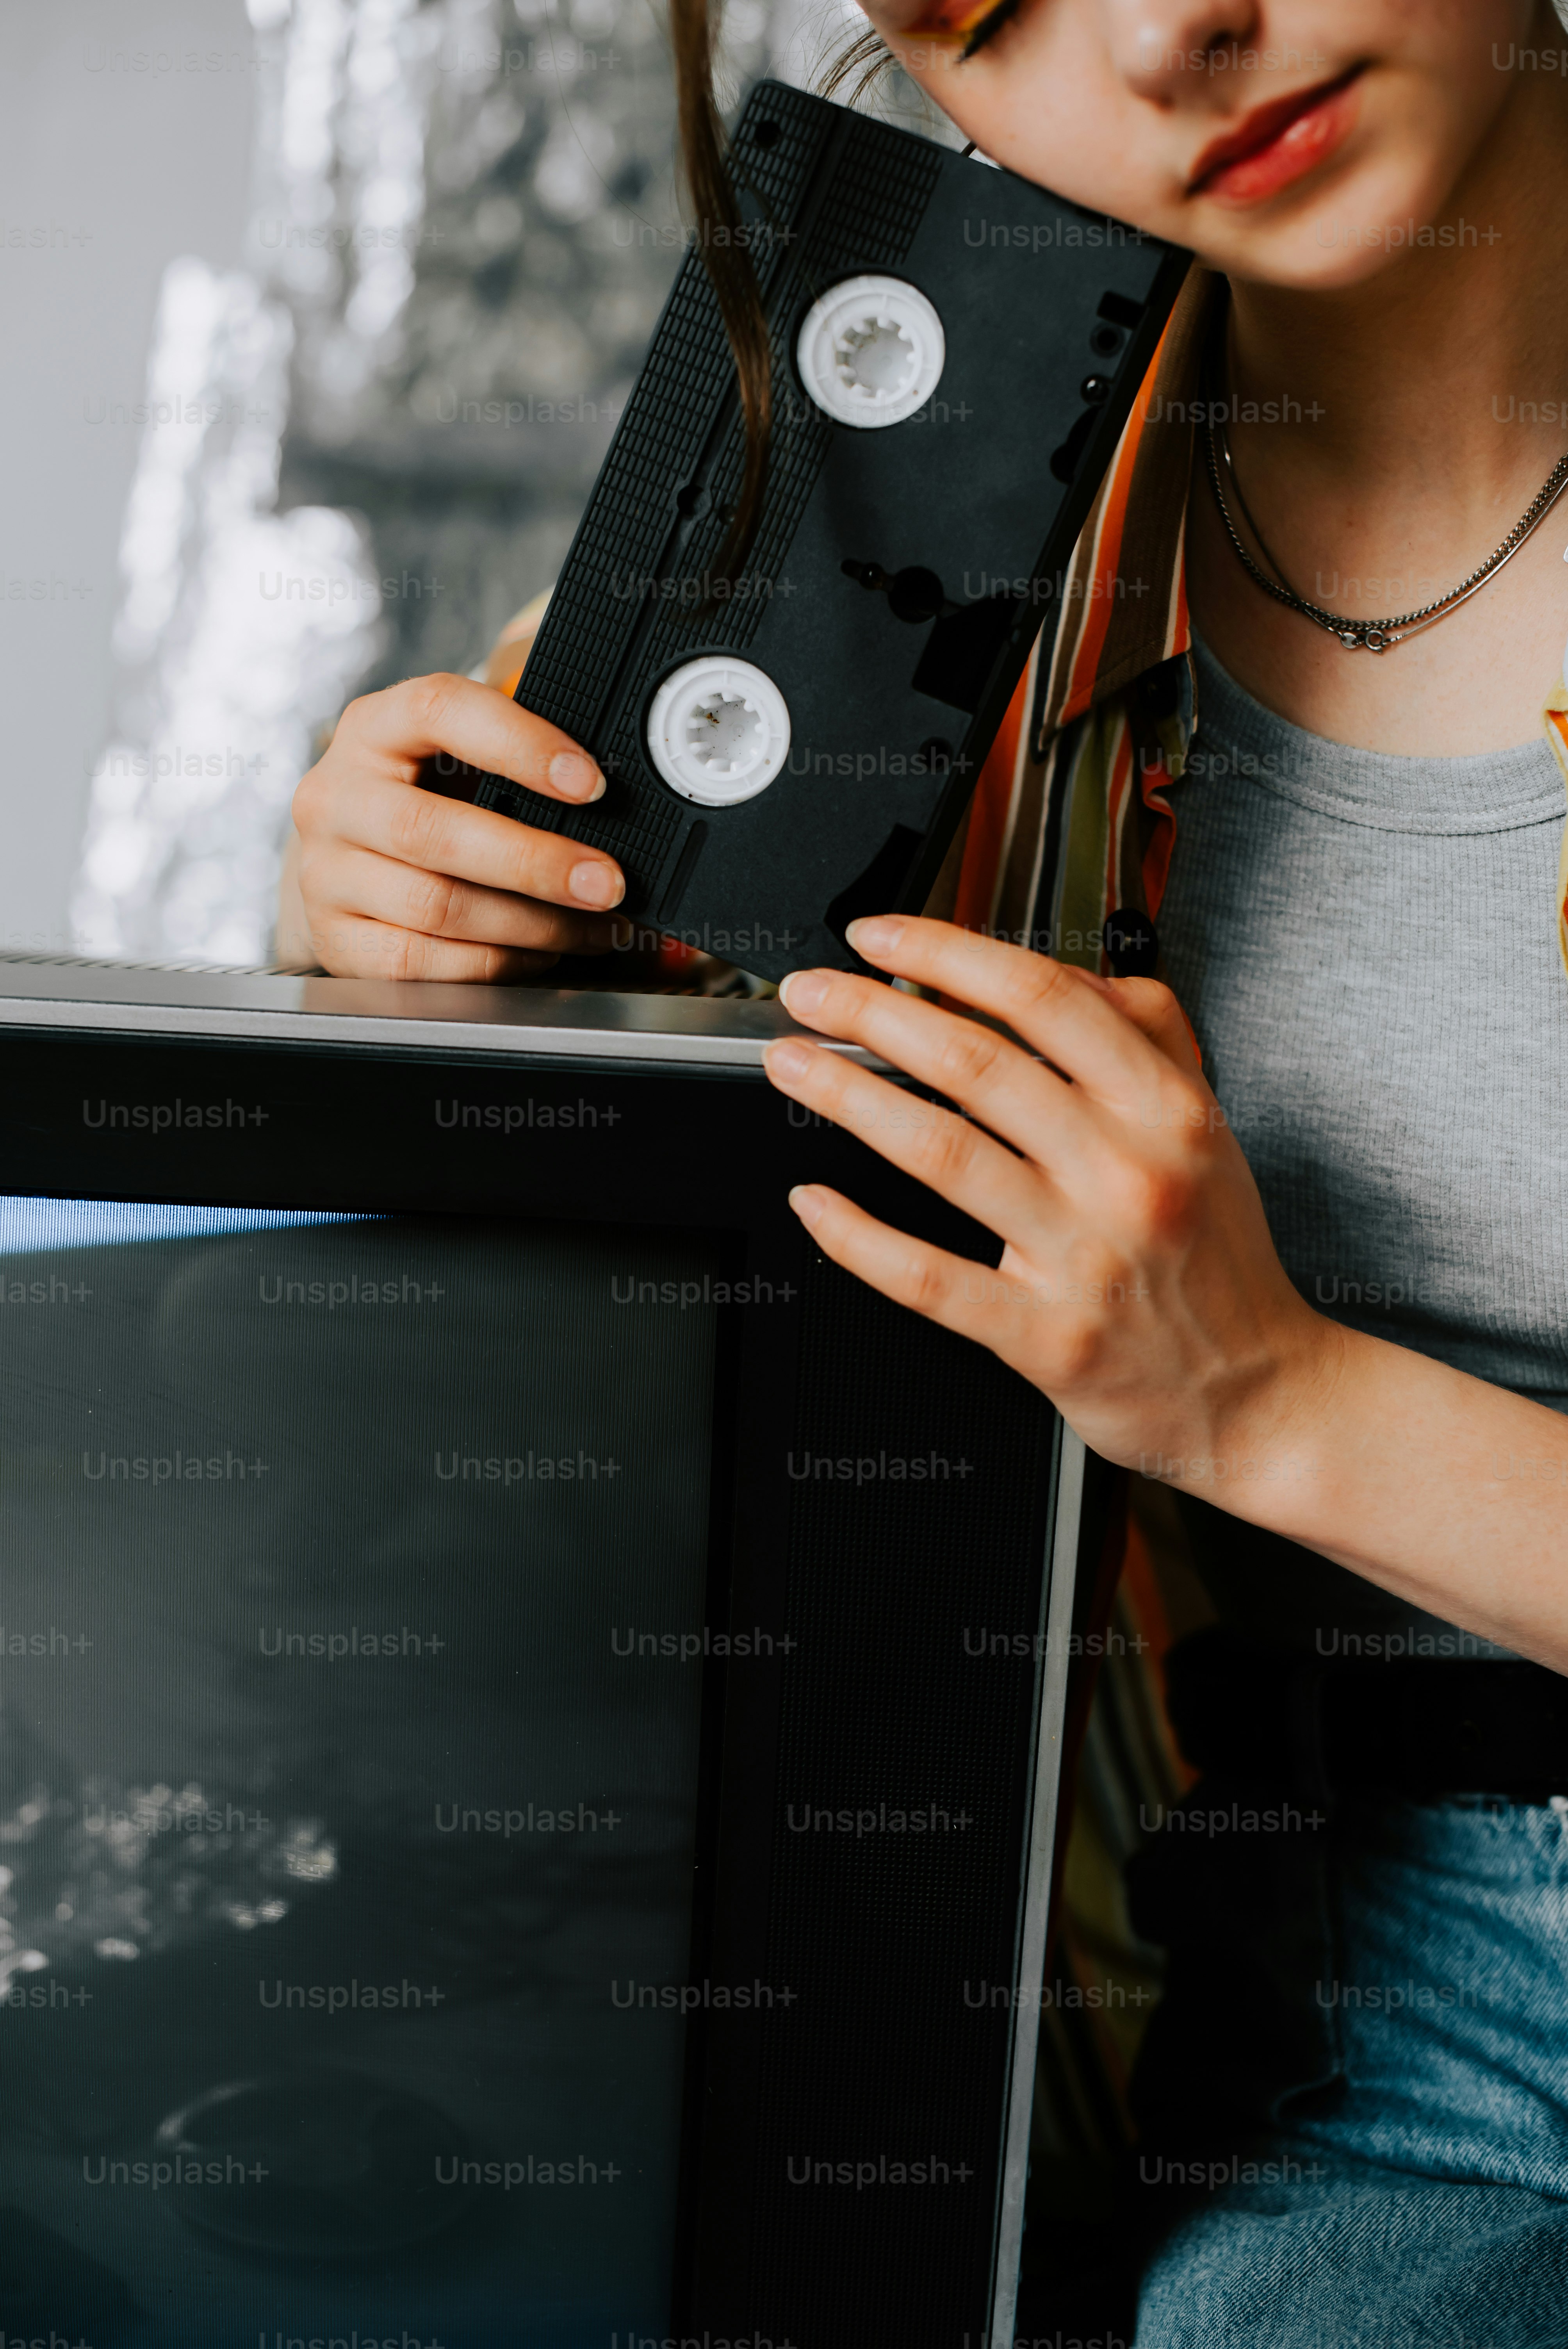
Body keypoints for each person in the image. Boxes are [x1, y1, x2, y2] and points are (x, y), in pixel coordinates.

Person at [278, 4, 1568, 2336]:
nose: (1174, 33)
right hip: (1334, 1973)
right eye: (990, 1)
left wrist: (1273, 1400)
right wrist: (397, 973)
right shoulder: (901, 483)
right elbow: (572, 1409)